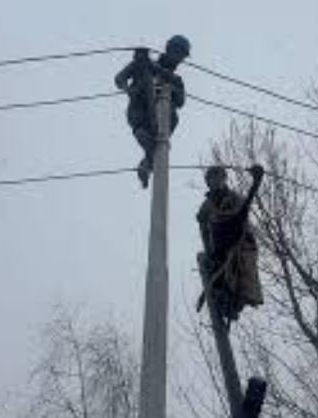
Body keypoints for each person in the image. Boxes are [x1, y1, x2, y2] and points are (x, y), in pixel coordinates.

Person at [114, 35, 190, 188]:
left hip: (162, 122)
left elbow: (181, 101)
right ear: (168, 49)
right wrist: (129, 90)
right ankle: (147, 162)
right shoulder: (145, 64)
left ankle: (146, 164)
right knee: (148, 142)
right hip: (140, 115)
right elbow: (119, 79)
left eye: (182, 56)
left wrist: (169, 89)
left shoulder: (176, 79)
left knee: (158, 145)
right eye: (177, 53)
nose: (178, 59)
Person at [196, 164, 265, 322]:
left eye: (219, 177)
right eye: (212, 179)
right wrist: (209, 251)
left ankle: (233, 301)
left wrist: (256, 181)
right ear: (208, 182)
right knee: (219, 274)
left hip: (238, 242)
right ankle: (223, 301)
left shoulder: (234, 198)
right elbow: (204, 231)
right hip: (219, 245)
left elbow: (243, 215)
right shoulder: (206, 207)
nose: (216, 181)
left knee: (239, 273)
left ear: (224, 179)